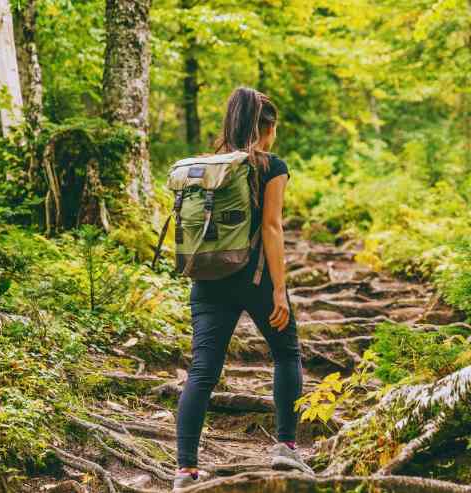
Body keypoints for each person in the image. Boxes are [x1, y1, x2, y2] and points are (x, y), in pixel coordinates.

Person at [173, 87, 312, 491]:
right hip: (254, 280)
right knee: (287, 353)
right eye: (274, 129)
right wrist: (279, 290)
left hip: (208, 279)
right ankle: (286, 447)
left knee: (201, 371)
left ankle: (185, 470)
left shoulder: (209, 166)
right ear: (265, 128)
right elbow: (271, 227)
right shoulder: (271, 166)